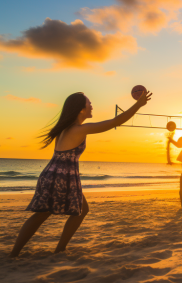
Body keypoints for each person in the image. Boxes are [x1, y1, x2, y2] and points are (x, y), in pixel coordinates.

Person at [9, 90, 152, 258]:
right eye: (88, 103)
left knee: (75, 211)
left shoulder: (67, 129)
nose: (91, 106)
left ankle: (55, 250)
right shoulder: (78, 130)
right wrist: (138, 105)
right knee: (43, 214)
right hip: (60, 177)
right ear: (80, 109)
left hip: (55, 175)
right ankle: (17, 253)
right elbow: (116, 121)